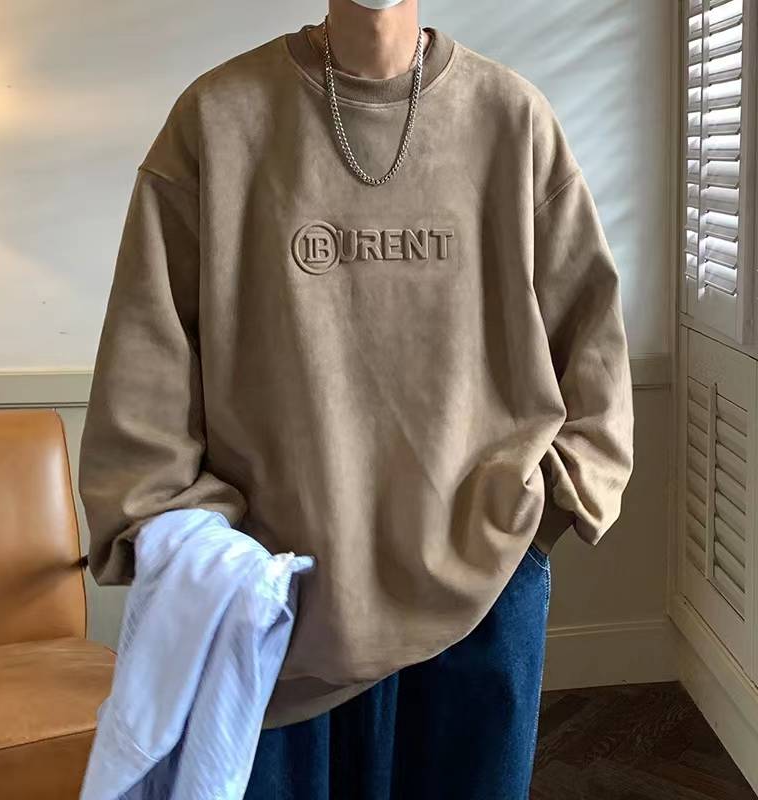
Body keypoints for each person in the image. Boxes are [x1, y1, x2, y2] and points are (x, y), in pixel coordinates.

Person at [78, 0, 635, 797]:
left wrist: (549, 506)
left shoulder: (511, 118)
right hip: (276, 605)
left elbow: (592, 339)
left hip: (485, 589)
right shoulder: (218, 119)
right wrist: (185, 534)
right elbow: (148, 352)